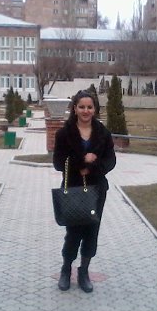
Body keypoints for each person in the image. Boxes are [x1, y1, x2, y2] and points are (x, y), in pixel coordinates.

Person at [53, 90, 116, 293]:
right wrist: (81, 161)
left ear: (95, 109)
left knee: (91, 231)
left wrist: (93, 166)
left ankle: (84, 271)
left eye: (89, 107)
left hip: (97, 190)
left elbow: (111, 161)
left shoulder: (103, 133)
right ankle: (66, 270)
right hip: (74, 189)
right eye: (82, 107)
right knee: (73, 232)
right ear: (75, 108)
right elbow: (58, 163)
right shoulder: (64, 134)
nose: (86, 111)